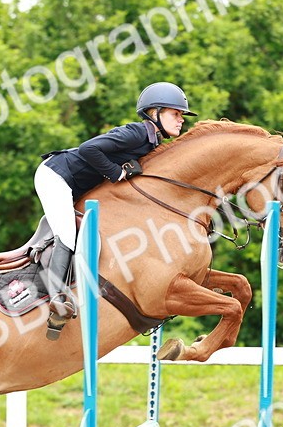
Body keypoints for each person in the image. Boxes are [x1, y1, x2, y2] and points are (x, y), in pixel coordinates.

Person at [36, 82, 196, 326]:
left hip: (73, 183)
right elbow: (89, 148)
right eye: (175, 114)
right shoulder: (137, 133)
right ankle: (57, 296)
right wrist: (115, 172)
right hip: (56, 175)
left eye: (181, 115)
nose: (181, 120)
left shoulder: (151, 142)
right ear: (155, 113)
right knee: (68, 235)